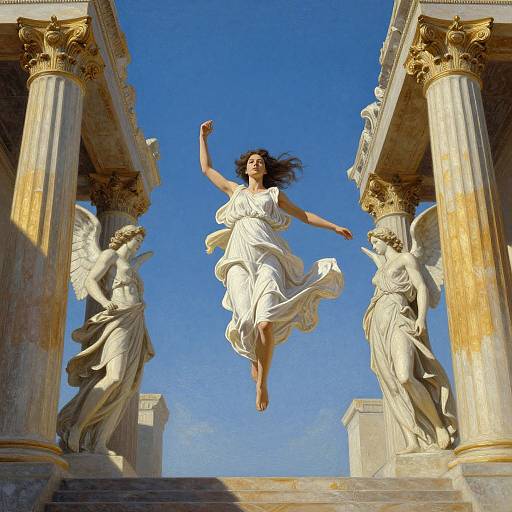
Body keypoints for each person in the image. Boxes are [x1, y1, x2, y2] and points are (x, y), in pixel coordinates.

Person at [200, 120, 352, 411]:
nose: (255, 164)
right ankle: (253, 358)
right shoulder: (235, 191)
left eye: (259, 162)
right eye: (251, 162)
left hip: (269, 254)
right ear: (245, 169)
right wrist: (202, 137)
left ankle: (262, 383)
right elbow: (207, 169)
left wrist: (333, 226)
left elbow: (303, 215)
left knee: (265, 320)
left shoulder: (273, 195)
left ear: (265, 170)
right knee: (245, 320)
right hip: (238, 257)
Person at [58, 224, 154, 454]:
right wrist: (103, 301)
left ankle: (99, 441)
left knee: (126, 386)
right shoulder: (110, 255)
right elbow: (90, 281)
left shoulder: (130, 265)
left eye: (140, 243)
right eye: (136, 241)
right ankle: (76, 426)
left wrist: (140, 261)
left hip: (135, 321)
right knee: (114, 376)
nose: (137, 245)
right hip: (118, 318)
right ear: (124, 237)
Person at [362, 227, 457, 452]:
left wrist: (421, 317)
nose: (375, 246)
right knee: (392, 384)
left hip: (399, 317)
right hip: (378, 322)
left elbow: (421, 287)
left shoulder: (406, 258)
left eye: (376, 242)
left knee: (405, 377)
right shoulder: (383, 266)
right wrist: (376, 259)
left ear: (386, 240)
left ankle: (437, 426)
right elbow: (384, 276)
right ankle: (412, 440)